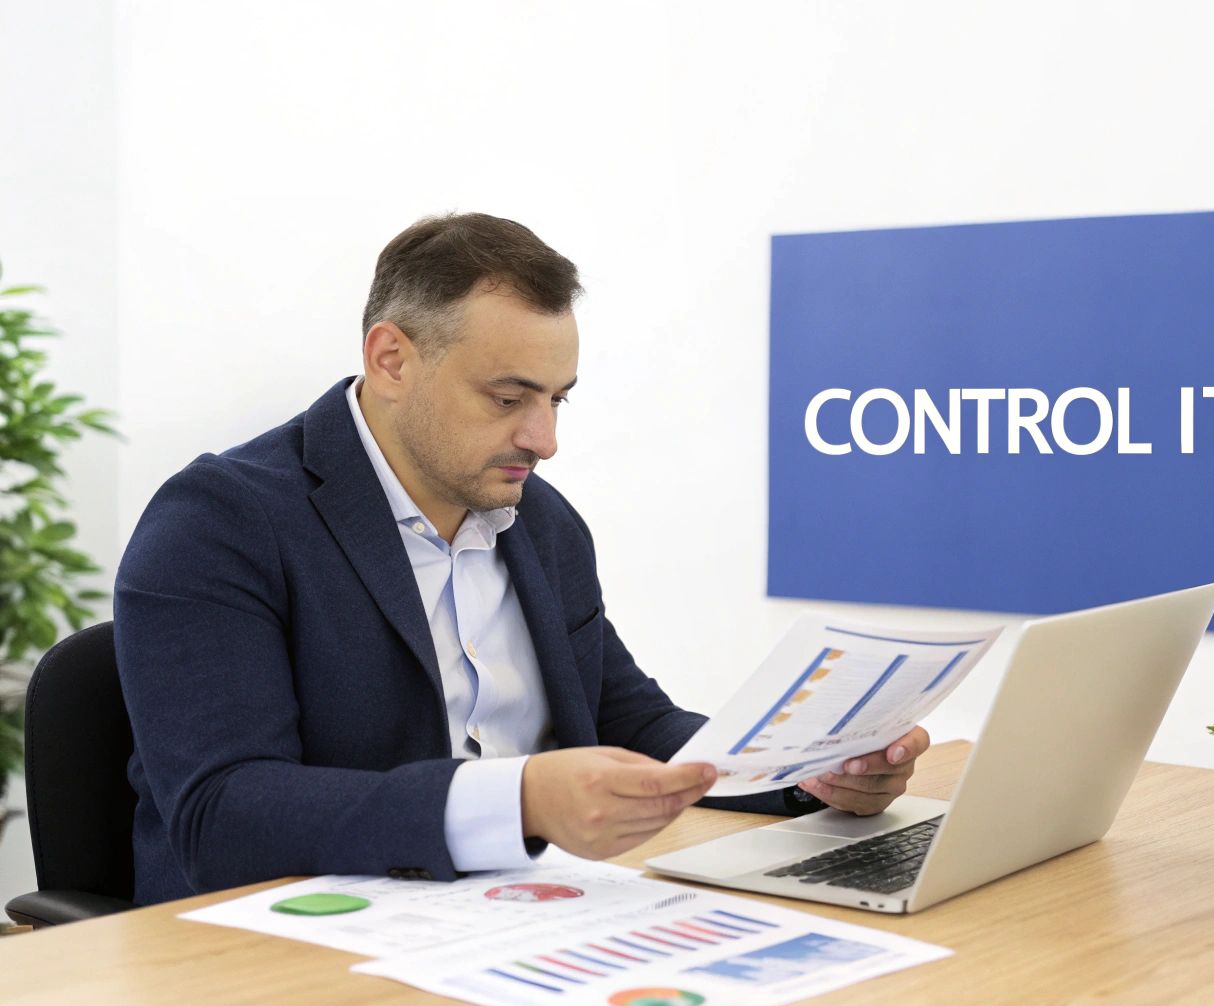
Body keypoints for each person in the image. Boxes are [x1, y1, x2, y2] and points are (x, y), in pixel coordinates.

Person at [115, 213, 929, 905]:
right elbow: (223, 812)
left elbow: (629, 722)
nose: (545, 439)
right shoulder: (219, 521)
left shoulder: (538, 521)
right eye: (508, 399)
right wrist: (520, 800)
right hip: (294, 943)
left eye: (556, 398)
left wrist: (802, 771)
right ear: (391, 359)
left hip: (518, 916)